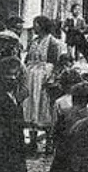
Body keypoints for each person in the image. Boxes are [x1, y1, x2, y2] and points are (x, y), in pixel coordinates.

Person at [23, 16, 65, 152]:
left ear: (42, 25)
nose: (34, 27)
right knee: (31, 107)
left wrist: (51, 77)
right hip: (31, 77)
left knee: (44, 107)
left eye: (36, 24)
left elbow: (56, 63)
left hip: (44, 77)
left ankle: (49, 141)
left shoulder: (53, 42)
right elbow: (28, 58)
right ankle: (33, 140)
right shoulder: (34, 41)